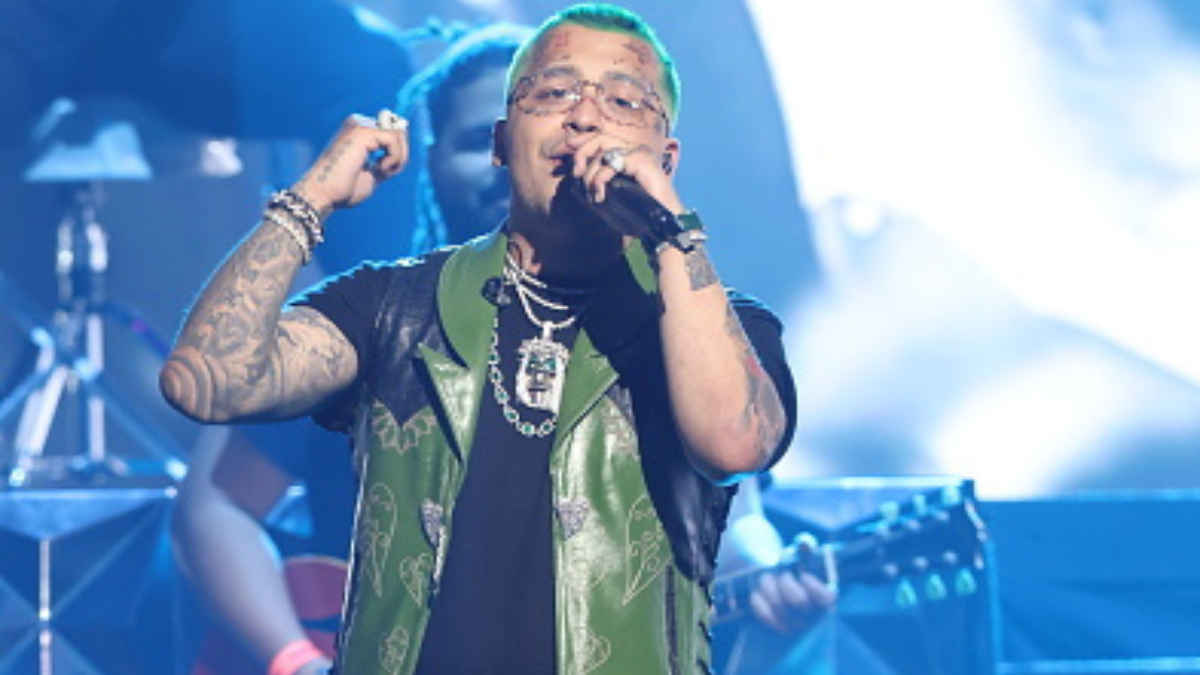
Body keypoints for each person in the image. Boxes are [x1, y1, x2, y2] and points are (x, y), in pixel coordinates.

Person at [159, 4, 796, 674]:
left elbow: (734, 462)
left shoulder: (707, 324)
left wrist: (670, 229)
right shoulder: (385, 310)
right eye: (551, 96)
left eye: (620, 103)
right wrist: (309, 199)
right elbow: (207, 383)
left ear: (665, 156)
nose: (581, 120)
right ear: (495, 144)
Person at [170, 23, 533, 675]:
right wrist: (295, 660)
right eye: (480, 141)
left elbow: (715, 528)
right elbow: (215, 494)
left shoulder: (645, 331)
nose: (506, 165)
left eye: (535, 140)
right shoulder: (372, 321)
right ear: (430, 163)